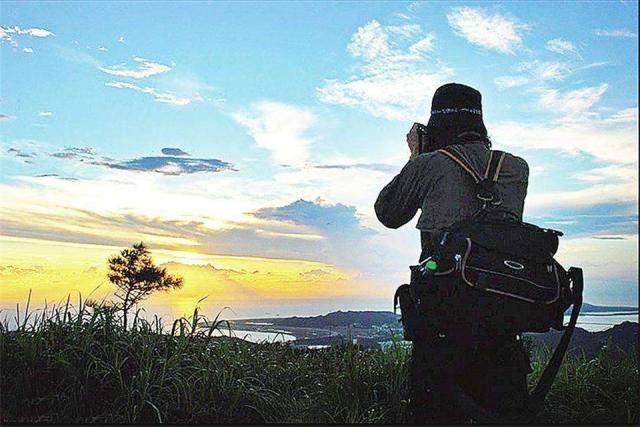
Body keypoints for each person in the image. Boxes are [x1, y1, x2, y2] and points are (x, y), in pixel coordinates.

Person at [374, 83, 532, 424]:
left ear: (436, 126)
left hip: (443, 324)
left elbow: (387, 213)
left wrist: (416, 156)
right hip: (502, 324)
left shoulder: (429, 164)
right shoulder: (516, 168)